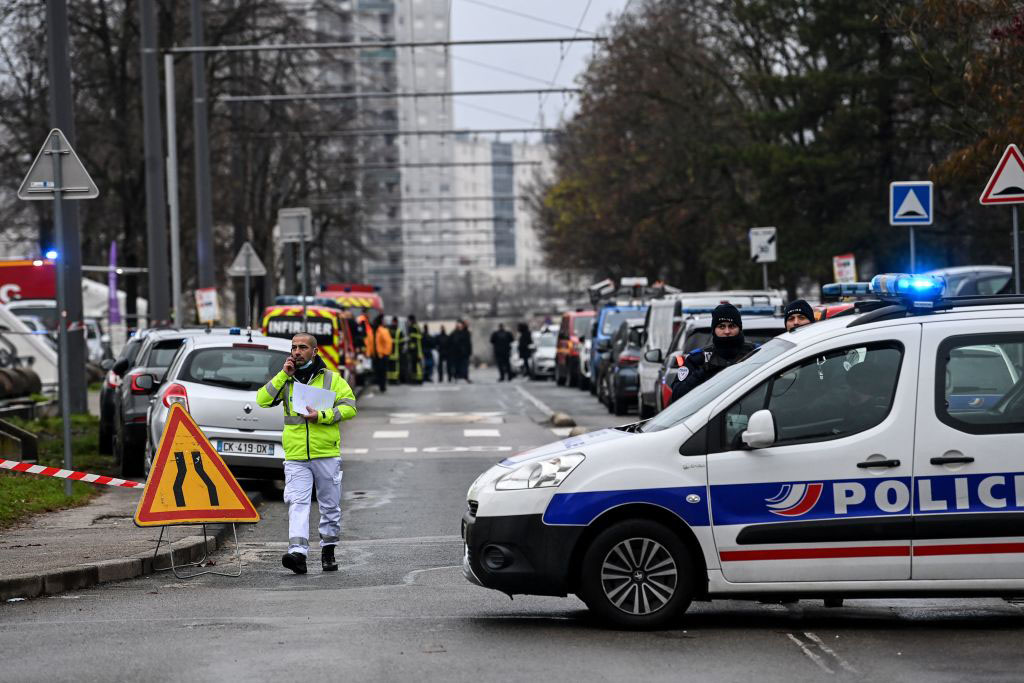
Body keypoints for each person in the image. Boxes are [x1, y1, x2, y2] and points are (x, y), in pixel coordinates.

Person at [256, 332, 357, 575]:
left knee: (329, 505)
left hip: (325, 453)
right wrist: (283, 375)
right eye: (294, 348)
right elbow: (262, 399)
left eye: (302, 347)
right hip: (296, 455)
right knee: (297, 503)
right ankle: (298, 555)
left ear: (315, 351)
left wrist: (321, 416)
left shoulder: (332, 379)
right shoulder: (286, 379)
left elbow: (349, 407)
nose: (297, 352)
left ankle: (328, 549)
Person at [670, 303, 756, 405]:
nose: (727, 331)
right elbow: (676, 395)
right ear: (714, 330)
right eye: (721, 326)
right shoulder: (698, 359)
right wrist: (701, 373)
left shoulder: (755, 353)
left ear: (739, 328)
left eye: (732, 326)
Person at [372, 314, 392, 392]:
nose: (385, 322)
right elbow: (388, 342)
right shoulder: (382, 330)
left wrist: (385, 353)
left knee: (381, 371)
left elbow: (387, 343)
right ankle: (381, 385)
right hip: (380, 355)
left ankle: (382, 386)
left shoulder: (377, 330)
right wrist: (386, 353)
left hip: (380, 355)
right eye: (383, 320)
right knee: (381, 372)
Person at [406, 315, 424, 384]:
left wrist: (411, 346)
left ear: (411, 320)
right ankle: (417, 379)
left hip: (416, 350)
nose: (408, 322)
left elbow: (414, 339)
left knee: (415, 365)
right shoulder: (416, 326)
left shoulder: (413, 327)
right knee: (416, 365)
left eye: (409, 320)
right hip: (417, 349)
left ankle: (416, 379)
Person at [387, 316, 403, 384]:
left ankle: (392, 380)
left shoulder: (388, 330)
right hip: (395, 352)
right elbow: (402, 342)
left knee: (392, 367)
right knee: (394, 367)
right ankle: (393, 379)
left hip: (391, 352)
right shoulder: (398, 331)